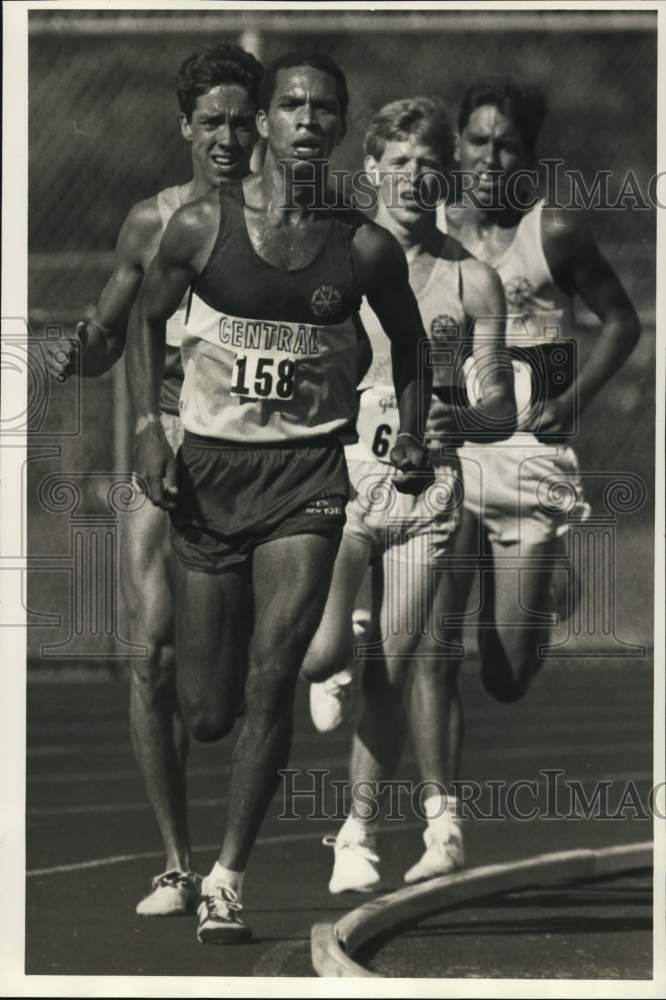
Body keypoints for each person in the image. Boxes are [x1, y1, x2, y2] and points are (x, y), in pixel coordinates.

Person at [133, 51, 435, 945]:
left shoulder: (362, 245)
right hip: (212, 482)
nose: (306, 119)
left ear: (341, 127)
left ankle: (228, 877)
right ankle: (208, 855)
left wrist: (414, 429)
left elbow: (412, 347)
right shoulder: (199, 228)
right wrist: (151, 430)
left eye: (324, 107)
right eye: (290, 104)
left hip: (306, 479)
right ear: (263, 121)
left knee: (273, 675)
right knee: (209, 709)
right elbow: (149, 321)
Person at [46, 45, 263, 916]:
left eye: (242, 120)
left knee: (246, 682)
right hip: (169, 441)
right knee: (152, 657)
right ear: (185, 128)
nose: (227, 136)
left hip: (263, 453)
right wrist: (76, 352)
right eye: (210, 121)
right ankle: (179, 863)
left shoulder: (300, 219)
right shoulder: (154, 220)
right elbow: (108, 330)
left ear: (266, 127)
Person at [302, 97, 515, 892]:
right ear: (372, 171)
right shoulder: (336, 259)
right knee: (322, 652)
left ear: (446, 178)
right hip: (337, 474)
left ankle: (356, 834)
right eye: (397, 164)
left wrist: (446, 418)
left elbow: (500, 406)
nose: (413, 179)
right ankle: (333, 644)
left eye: (429, 165)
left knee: (395, 668)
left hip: (425, 486)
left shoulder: (473, 280)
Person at [437, 77, 640, 703]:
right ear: (457, 145)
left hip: (526, 455)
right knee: (431, 636)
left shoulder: (552, 230)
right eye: (478, 141)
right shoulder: (431, 231)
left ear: (528, 156)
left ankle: (543, 584)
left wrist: (571, 400)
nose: (490, 158)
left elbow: (622, 323)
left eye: (507, 145)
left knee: (506, 678)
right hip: (453, 446)